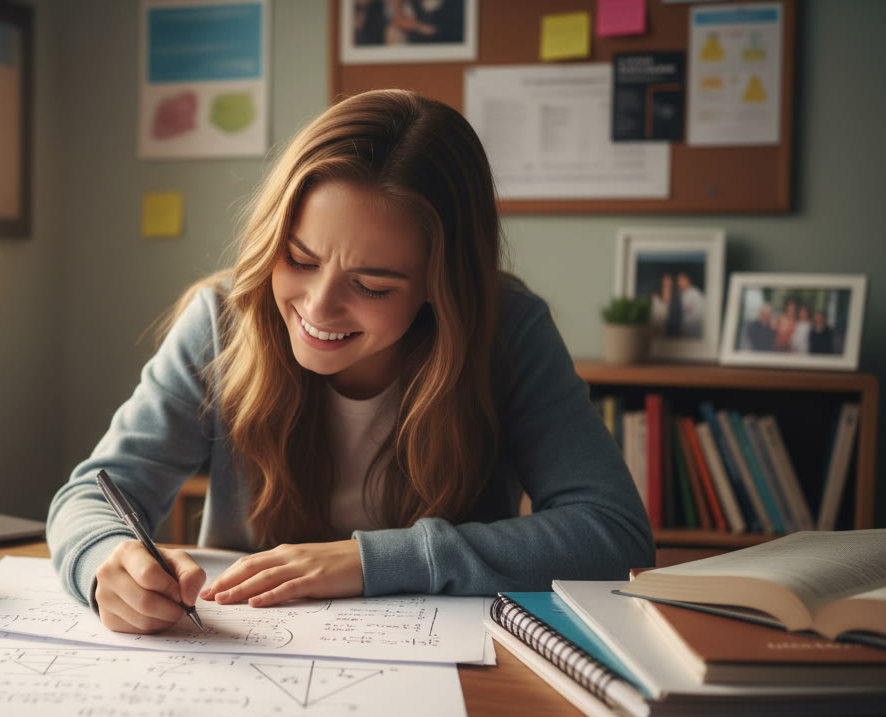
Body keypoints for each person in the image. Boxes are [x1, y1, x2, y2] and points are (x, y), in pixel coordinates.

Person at [47, 90, 654, 634]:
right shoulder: (222, 323)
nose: (318, 307)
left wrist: (371, 560)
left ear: (441, 290)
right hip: (244, 655)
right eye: (301, 258)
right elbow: (92, 495)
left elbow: (610, 531)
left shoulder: (507, 332)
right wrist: (106, 561)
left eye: (373, 285)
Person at [676, 272, 705, 339]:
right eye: (678, 280)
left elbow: (686, 309)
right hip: (686, 332)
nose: (679, 283)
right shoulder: (682, 294)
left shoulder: (694, 293)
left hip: (694, 331)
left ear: (688, 280)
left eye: (681, 280)